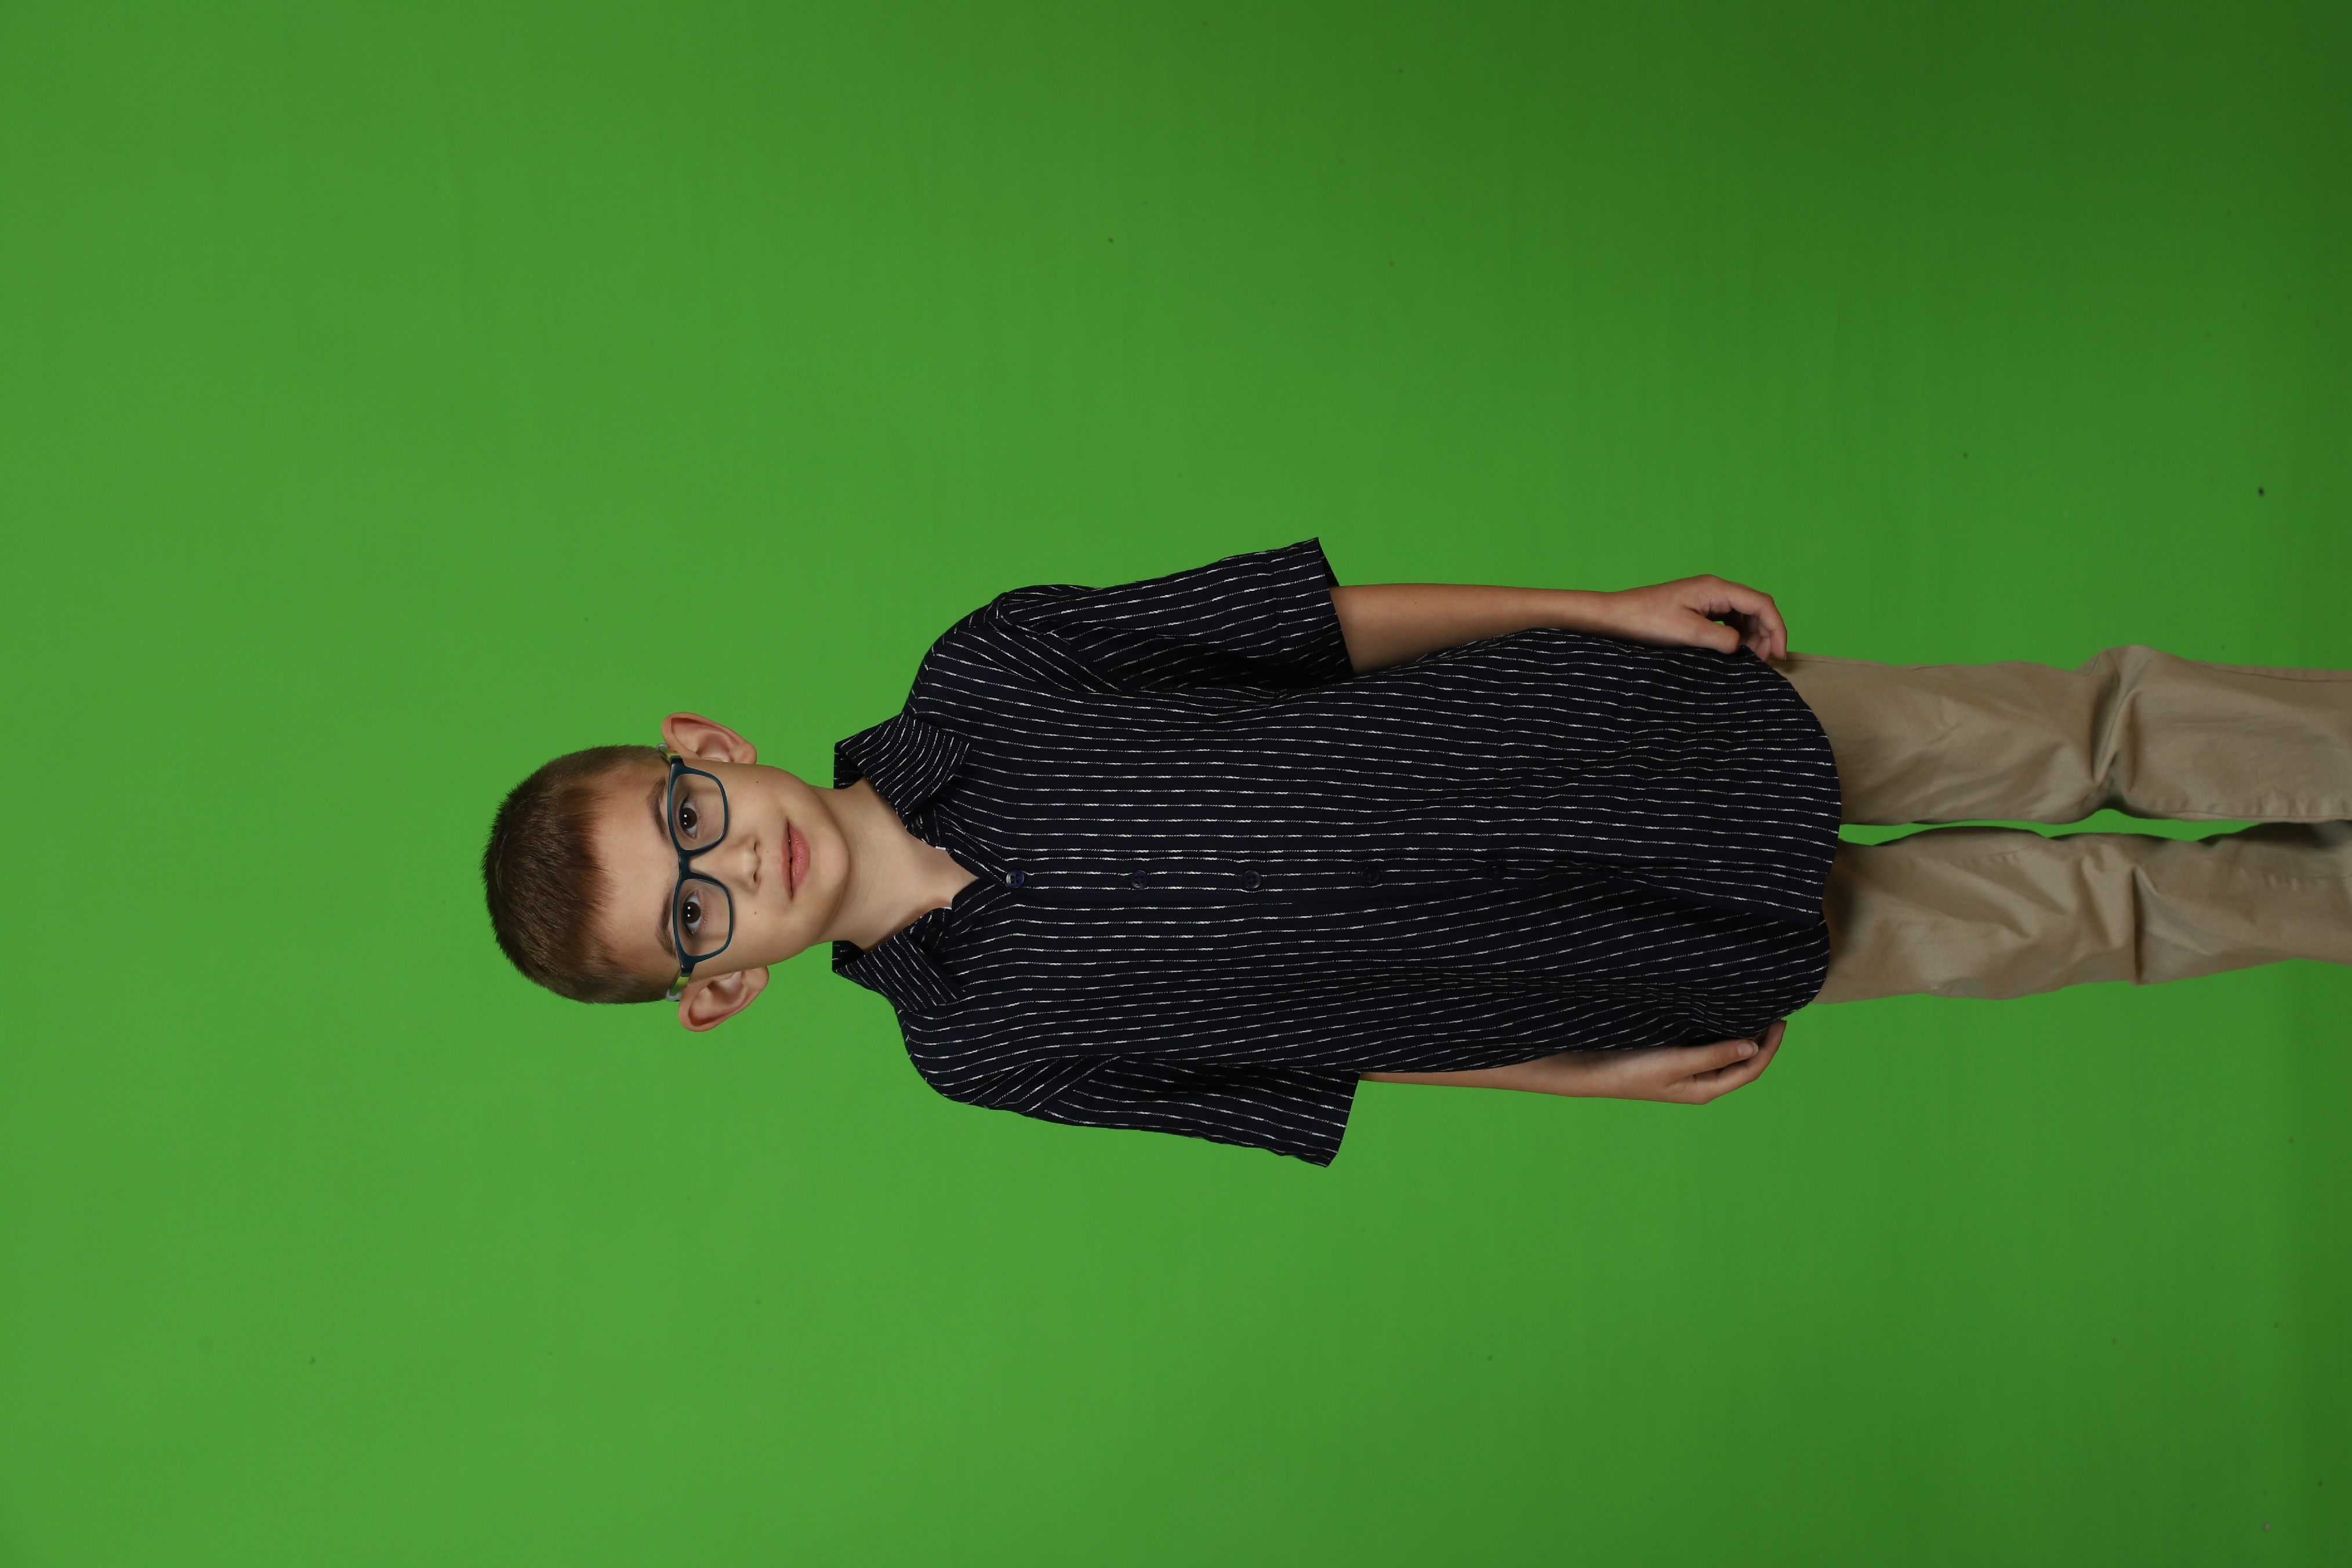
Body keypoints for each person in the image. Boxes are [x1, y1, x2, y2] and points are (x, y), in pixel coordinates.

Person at [481, 541, 2352, 1164]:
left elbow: (1311, 625)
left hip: (1610, 733)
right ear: (717, 989)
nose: (737, 865)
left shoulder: (997, 668)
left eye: (688, 819)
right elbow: (1319, 1065)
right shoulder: (983, 1049)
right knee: (2089, 917)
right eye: (695, 913)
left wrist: (1598, 611)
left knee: (2086, 735)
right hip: (1596, 963)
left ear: (706, 749)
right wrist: (1578, 1075)